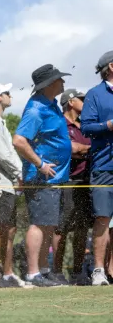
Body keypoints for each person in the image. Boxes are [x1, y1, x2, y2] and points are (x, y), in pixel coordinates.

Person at [13, 64, 72, 287]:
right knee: (39, 224)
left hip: (54, 178)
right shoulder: (36, 109)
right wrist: (40, 165)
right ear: (49, 84)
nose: (63, 83)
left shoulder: (52, 105)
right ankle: (33, 273)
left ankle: (44, 270)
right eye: (59, 79)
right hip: (42, 178)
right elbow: (19, 140)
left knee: (48, 224)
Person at [0, 83, 27, 288]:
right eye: (6, 93)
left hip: (8, 182)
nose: (11, 95)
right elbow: (3, 153)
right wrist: (20, 173)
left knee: (9, 229)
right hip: (1, 182)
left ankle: (8, 273)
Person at [80, 50, 113, 286]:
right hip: (104, 167)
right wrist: (109, 124)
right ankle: (98, 270)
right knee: (102, 218)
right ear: (110, 67)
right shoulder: (94, 95)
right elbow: (86, 128)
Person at [54, 89, 92, 285]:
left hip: (86, 182)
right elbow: (71, 149)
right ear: (70, 102)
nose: (85, 103)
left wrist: (83, 150)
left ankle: (78, 273)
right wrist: (87, 150)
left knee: (82, 229)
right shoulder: (60, 123)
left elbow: (81, 149)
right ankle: (57, 272)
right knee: (62, 229)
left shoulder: (85, 125)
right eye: (82, 99)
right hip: (67, 182)